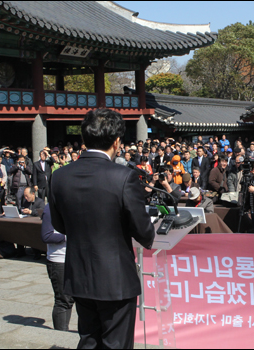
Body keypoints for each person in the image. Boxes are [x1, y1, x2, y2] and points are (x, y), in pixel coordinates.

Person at [49, 109, 155, 349]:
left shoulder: (59, 176)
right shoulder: (124, 177)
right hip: (115, 277)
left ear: (85, 138)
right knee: (116, 343)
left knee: (88, 340)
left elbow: (59, 225)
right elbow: (144, 232)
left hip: (79, 272)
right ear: (117, 142)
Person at [41, 204, 74, 331]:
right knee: (63, 301)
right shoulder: (51, 208)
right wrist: (69, 236)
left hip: (77, 259)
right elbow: (46, 236)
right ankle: (61, 335)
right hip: (59, 260)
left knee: (80, 301)